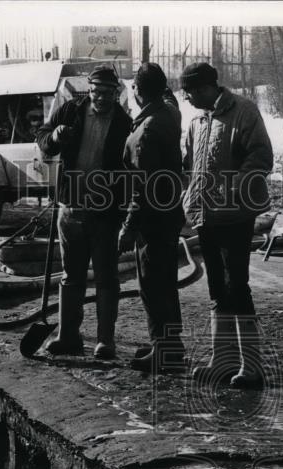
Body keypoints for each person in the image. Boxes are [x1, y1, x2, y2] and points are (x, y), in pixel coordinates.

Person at [180, 61, 273, 389]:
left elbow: (261, 157)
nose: (187, 97)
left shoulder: (244, 112)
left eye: (190, 91)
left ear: (206, 87)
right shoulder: (196, 122)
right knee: (217, 289)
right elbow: (188, 166)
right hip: (206, 217)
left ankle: (251, 366)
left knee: (237, 287)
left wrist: (231, 187)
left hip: (235, 216)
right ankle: (221, 361)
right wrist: (186, 202)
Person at [36, 64, 132, 359]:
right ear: (88, 91)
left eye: (107, 93)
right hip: (70, 208)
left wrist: (123, 211)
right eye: (95, 92)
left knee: (106, 276)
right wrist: (54, 137)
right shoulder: (70, 111)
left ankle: (106, 341)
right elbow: (43, 137)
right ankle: (68, 337)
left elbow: (130, 170)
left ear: (116, 94)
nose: (100, 98)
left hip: (105, 213)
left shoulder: (124, 123)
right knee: (71, 275)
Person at [118, 63, 187, 374]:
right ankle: (169, 345)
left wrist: (128, 228)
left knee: (153, 286)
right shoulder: (169, 114)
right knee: (165, 283)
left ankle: (164, 350)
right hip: (169, 213)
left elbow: (142, 186)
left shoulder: (147, 129)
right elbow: (168, 99)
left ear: (138, 92)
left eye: (134, 87)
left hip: (152, 218)